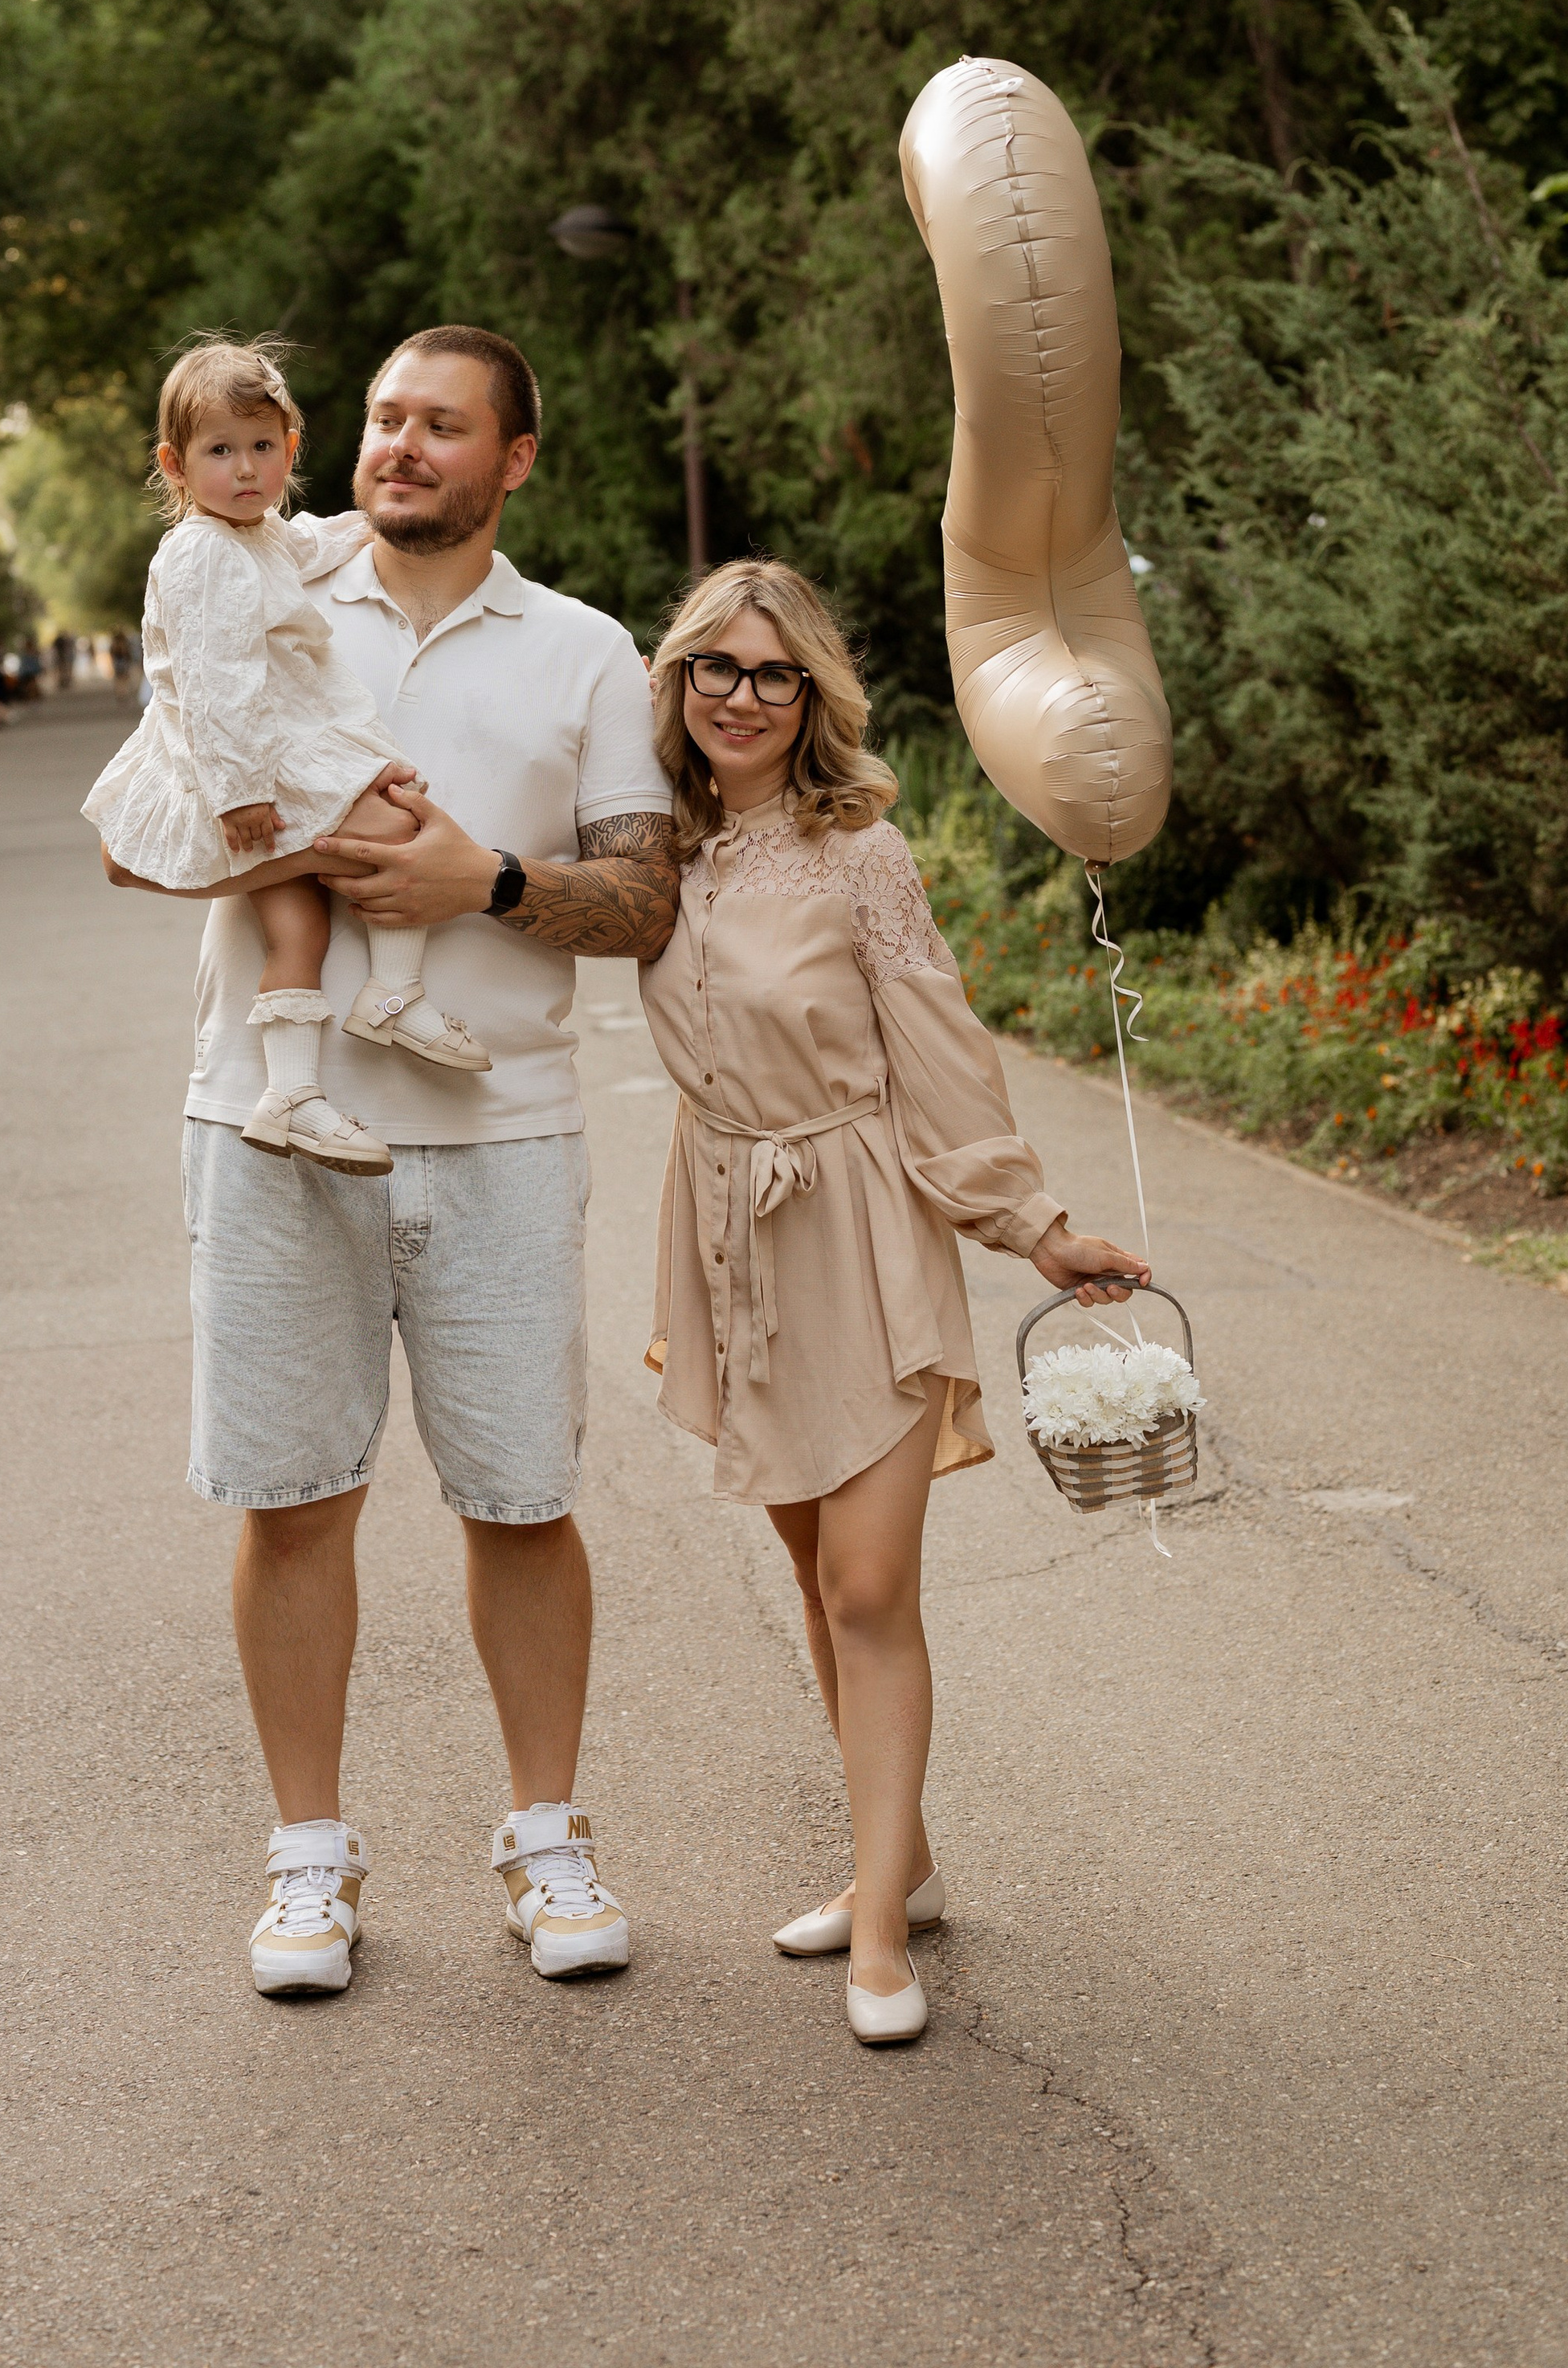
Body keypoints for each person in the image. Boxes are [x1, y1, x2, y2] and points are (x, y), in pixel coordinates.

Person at [100, 328, 677, 1998]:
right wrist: (289, 841)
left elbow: (641, 898)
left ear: (515, 459)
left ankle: (544, 1835)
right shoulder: (248, 580)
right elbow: (148, 839)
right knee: (290, 1503)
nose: (398, 446)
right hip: (271, 1128)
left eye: (442, 425)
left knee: (522, 1501)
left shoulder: (582, 650)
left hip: (501, 1133)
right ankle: (305, 1863)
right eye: (381, 418)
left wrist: (478, 884)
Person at [638, 559, 1148, 2048]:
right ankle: (900, 1862)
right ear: (677, 683)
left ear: (813, 698)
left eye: (772, 672)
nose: (740, 694)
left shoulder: (861, 852)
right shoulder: (650, 851)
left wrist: (1032, 1222)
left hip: (858, 1226)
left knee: (869, 1585)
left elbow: (938, 1047)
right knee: (812, 1575)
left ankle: (876, 1925)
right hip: (728, 1228)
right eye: (715, 667)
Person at [83, 335, 490, 1176]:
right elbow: (211, 682)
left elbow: (304, 547)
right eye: (220, 450)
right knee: (394, 816)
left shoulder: (257, 535)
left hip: (267, 746)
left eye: (262, 447)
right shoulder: (200, 552)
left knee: (298, 926)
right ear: (175, 463)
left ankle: (290, 1094)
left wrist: (369, 521)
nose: (245, 469)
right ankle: (391, 994)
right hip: (242, 759)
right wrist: (239, 792)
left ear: (290, 450)